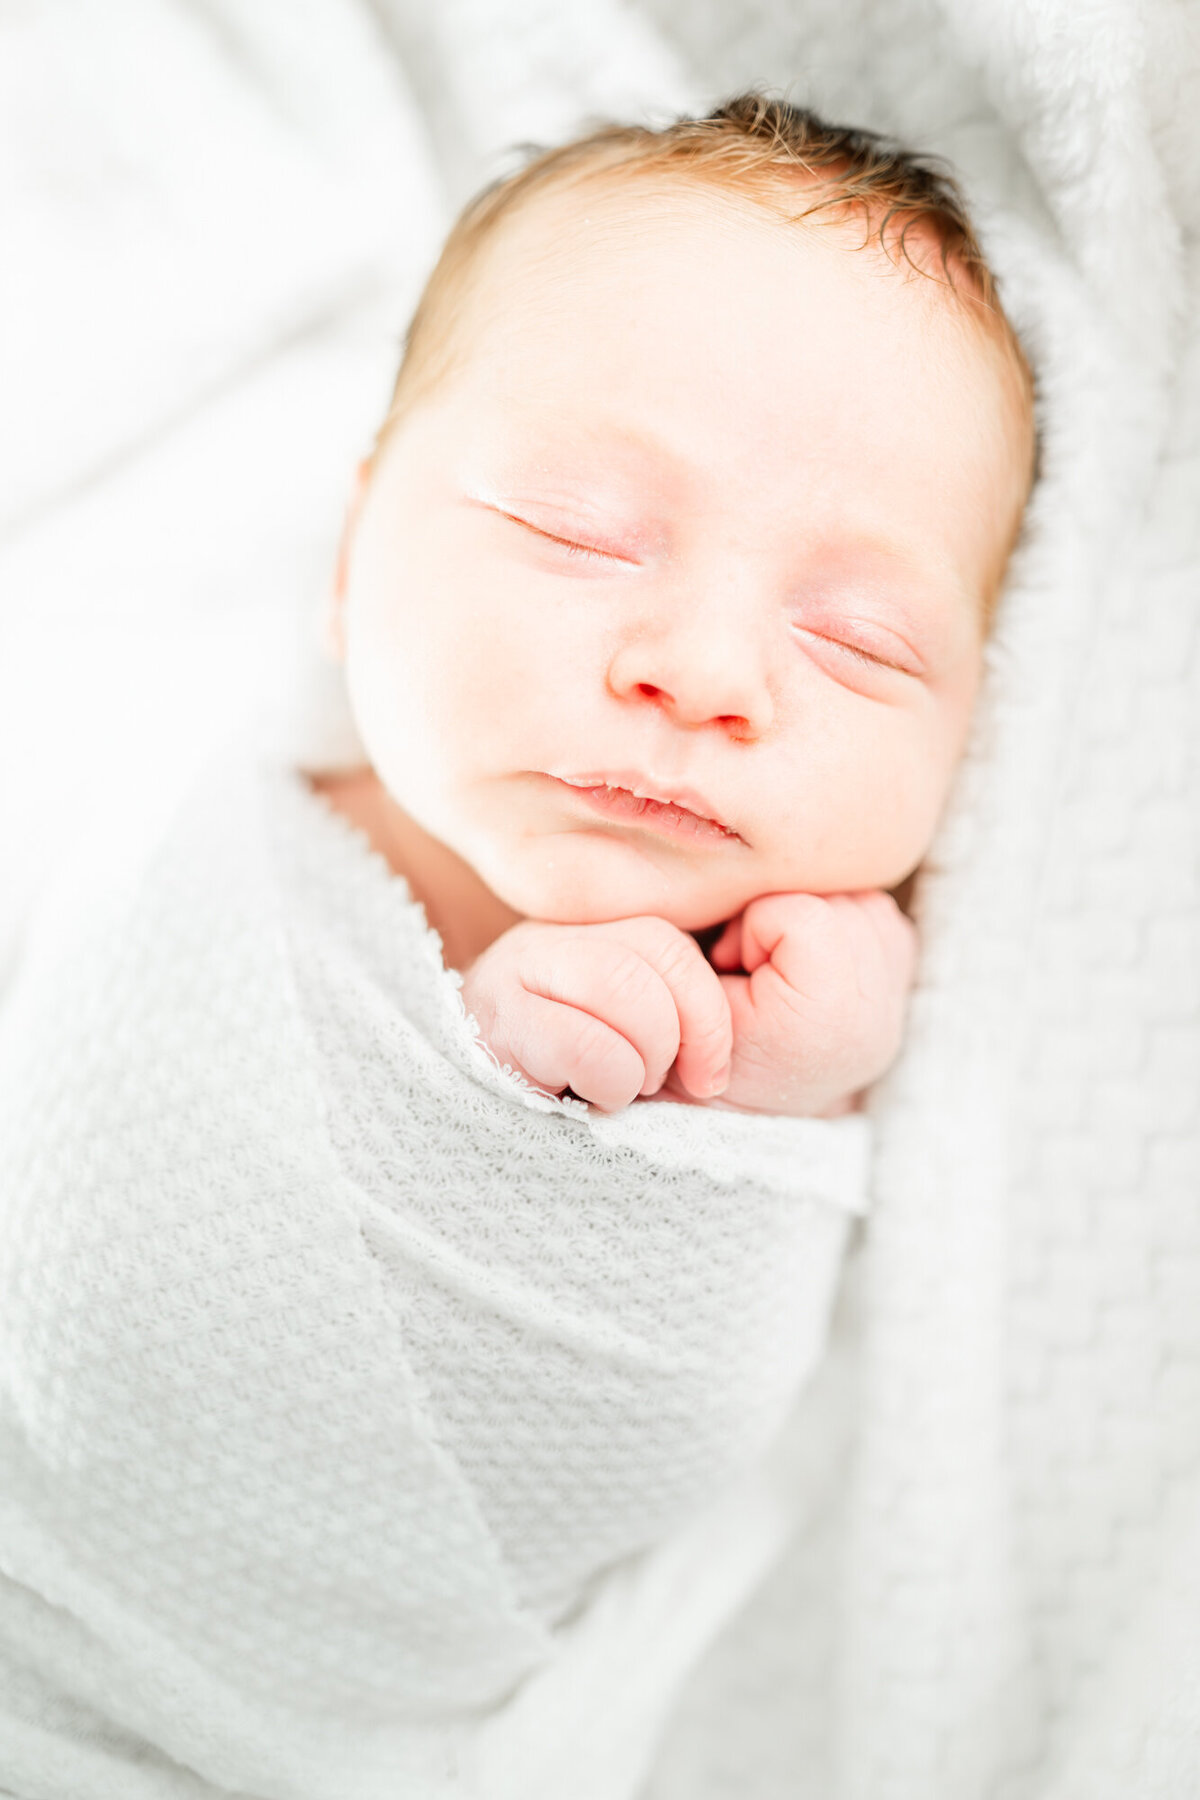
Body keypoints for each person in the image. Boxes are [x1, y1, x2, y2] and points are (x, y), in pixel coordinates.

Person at [0, 93, 1034, 1800]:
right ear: (350, 560)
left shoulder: (795, 1022)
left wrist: (766, 1104)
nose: (704, 670)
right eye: (579, 530)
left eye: (857, 641)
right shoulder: (183, 767)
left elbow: (653, 1423)